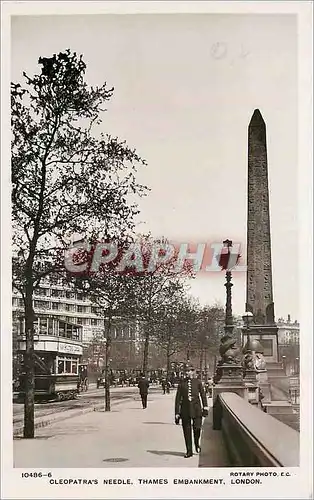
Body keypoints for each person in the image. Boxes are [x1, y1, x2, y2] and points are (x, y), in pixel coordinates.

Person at [175, 365, 208, 458]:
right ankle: (189, 451)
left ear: (193, 372)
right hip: (185, 409)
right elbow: (178, 399)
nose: (187, 373)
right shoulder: (181, 384)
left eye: (189, 371)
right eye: (186, 371)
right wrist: (177, 413)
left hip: (197, 409)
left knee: (197, 428)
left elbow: (203, 395)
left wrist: (205, 407)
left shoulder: (197, 382)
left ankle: (197, 443)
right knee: (187, 430)